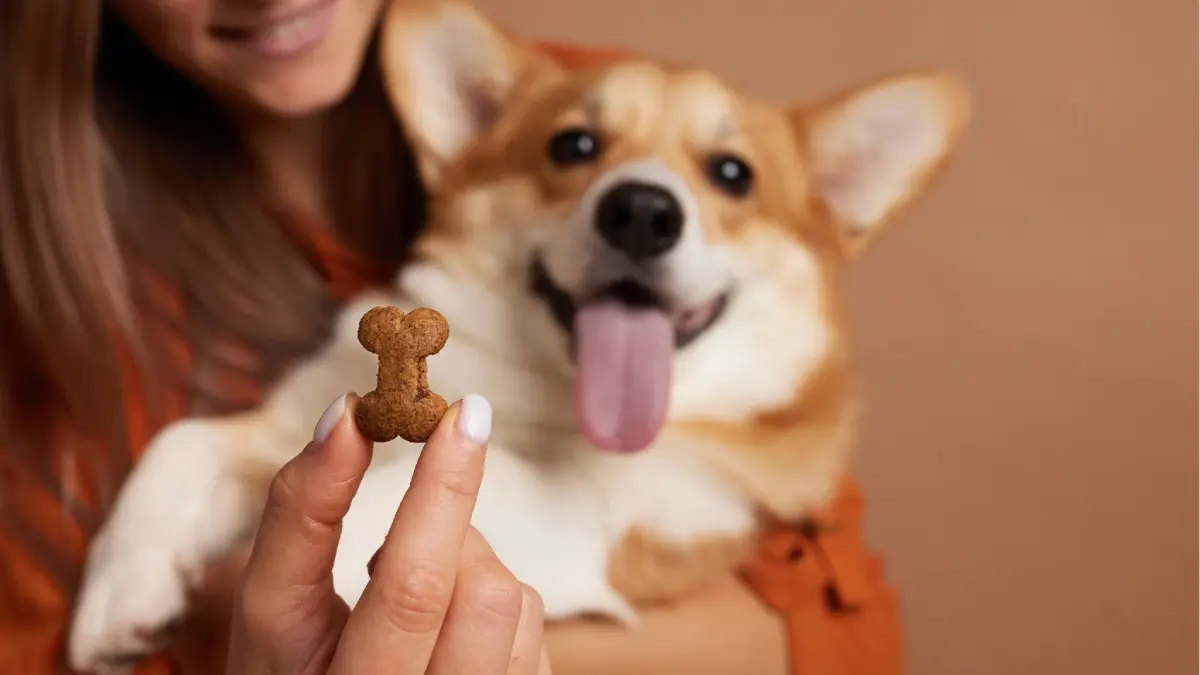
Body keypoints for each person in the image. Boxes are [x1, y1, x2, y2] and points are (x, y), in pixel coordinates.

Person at [0, 1, 903, 674]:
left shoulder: (564, 83)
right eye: (581, 150)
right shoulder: (50, 279)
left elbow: (834, 625)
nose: (641, 198)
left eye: (730, 172)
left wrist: (252, 591)